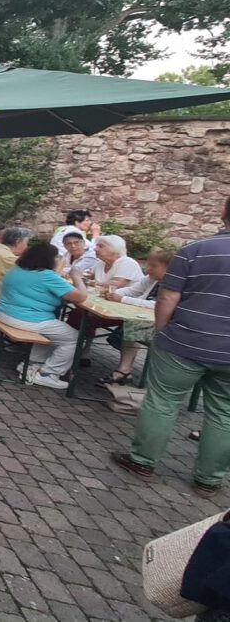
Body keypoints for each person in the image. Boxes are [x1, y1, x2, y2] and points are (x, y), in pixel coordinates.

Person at [113, 197, 230, 497]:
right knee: (224, 414)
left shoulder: (195, 251)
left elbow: (167, 298)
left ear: (223, 212)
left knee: (162, 403)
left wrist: (164, 331)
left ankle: (142, 461)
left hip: (184, 341)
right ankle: (209, 479)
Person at [0, 243, 89, 389]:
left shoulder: (17, 269)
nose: (59, 258)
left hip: (4, 313)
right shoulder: (46, 275)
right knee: (75, 338)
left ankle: (33, 363)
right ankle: (48, 373)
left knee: (53, 330)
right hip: (26, 319)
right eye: (57, 256)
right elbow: (80, 296)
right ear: (49, 259)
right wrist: (77, 277)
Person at [99, 248, 174, 385]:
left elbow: (156, 305)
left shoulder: (173, 284)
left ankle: (127, 371)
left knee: (133, 327)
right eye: (147, 264)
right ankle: (124, 370)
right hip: (143, 319)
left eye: (153, 266)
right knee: (132, 325)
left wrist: (122, 299)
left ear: (168, 268)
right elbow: (133, 291)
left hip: (164, 326)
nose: (147, 268)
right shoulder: (150, 279)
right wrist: (113, 293)